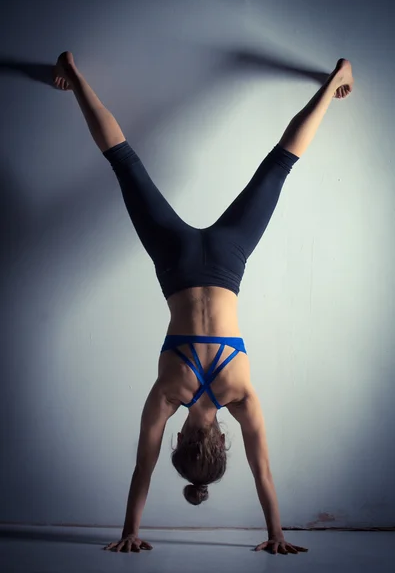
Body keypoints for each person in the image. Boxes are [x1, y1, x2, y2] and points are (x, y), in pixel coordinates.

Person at [53, 51, 353, 556]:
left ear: (220, 445)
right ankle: (76, 75)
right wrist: (130, 530)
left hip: (229, 261)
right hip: (175, 263)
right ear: (180, 443)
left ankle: (334, 82)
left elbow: (264, 473)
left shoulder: (241, 395)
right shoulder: (169, 393)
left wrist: (276, 534)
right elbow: (141, 468)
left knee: (279, 166)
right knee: (125, 165)